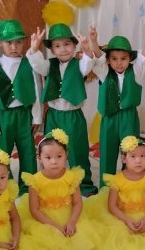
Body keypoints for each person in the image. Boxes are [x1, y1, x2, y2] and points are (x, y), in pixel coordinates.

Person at [28, 23, 100, 196]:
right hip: (53, 115)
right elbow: (37, 65)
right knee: (50, 149)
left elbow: (88, 64)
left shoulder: (79, 65)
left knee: (77, 150)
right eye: (57, 46)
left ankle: (83, 184)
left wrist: (87, 48)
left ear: (74, 46)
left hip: (73, 116)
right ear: (52, 50)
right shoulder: (49, 65)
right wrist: (34, 48)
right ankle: (51, 181)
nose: (63, 49)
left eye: (67, 44)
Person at [18, 129, 97, 250]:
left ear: (66, 155)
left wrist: (72, 222)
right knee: (44, 239)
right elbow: (35, 210)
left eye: (59, 156)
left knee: (82, 234)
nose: (54, 161)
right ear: (39, 158)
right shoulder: (35, 181)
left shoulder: (71, 177)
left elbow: (77, 203)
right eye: (48, 157)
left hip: (68, 214)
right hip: (45, 218)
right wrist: (54, 226)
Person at [92, 26, 145, 186]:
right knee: (107, 150)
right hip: (109, 117)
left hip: (129, 116)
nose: (119, 63)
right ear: (108, 60)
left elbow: (144, 58)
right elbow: (98, 56)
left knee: (131, 151)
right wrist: (93, 40)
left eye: (123, 58)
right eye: (114, 59)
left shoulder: (136, 71)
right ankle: (106, 187)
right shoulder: (104, 72)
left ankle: (131, 183)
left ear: (130, 58)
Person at [0, 19, 41, 196]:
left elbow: (36, 91)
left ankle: (28, 187)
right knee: (3, 152)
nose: (14, 46)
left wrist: (36, 116)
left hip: (24, 114)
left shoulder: (30, 64)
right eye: (9, 42)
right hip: (4, 115)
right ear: (0, 43)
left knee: (27, 150)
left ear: (24, 43)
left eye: (18, 42)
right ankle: (5, 185)